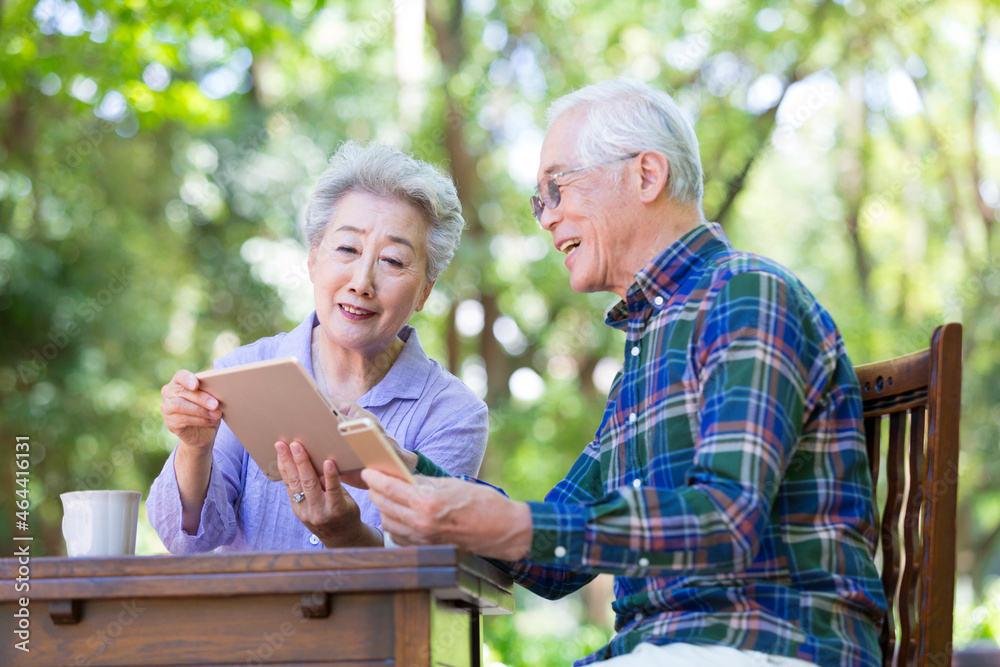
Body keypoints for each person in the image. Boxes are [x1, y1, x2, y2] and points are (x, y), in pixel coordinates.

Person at [361, 79, 887, 667]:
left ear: (646, 175)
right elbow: (557, 563)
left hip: (767, 642)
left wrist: (509, 523)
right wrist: (411, 472)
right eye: (542, 200)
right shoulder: (646, 346)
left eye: (557, 188)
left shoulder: (745, 293)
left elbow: (726, 520)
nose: (547, 218)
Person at [147, 141, 488, 552]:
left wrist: (350, 537)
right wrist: (194, 447)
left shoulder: (453, 414)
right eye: (347, 248)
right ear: (313, 262)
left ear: (425, 293)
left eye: (393, 261)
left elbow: (423, 574)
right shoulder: (244, 370)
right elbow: (186, 543)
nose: (362, 282)